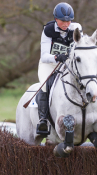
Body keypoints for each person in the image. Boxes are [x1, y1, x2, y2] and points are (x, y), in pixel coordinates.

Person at [37, 2, 83, 133]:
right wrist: (57, 57)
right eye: (63, 21)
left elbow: (80, 48)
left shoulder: (76, 28)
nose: (66, 24)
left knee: (85, 79)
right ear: (56, 19)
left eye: (69, 21)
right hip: (49, 63)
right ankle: (43, 121)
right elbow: (44, 55)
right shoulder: (48, 30)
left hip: (68, 63)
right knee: (44, 84)